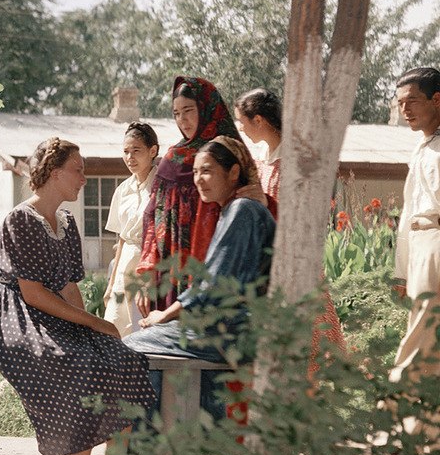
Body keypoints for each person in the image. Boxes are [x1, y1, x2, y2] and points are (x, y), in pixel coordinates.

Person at [0, 137, 157, 455]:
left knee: (123, 359)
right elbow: (33, 293)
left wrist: (92, 331)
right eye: (78, 170)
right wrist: (93, 322)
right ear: (56, 172)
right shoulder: (20, 219)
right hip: (15, 311)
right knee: (80, 365)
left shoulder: (66, 221)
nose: (84, 178)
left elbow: (67, 288)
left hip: (52, 309)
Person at [125, 137, 276, 422]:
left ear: (233, 172)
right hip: (236, 328)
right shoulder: (237, 210)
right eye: (194, 172)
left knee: (129, 348)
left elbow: (212, 285)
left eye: (206, 170)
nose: (198, 180)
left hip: (230, 331)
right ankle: (193, 454)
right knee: (149, 350)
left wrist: (164, 315)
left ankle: (152, 451)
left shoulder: (242, 210)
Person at [234, 87, 347, 371]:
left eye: (242, 121)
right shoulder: (260, 159)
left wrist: (265, 201)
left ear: (258, 120)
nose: (241, 128)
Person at [137, 77, 243, 313]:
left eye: (188, 110)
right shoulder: (172, 158)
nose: (182, 120)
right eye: (176, 113)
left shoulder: (231, 155)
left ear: (206, 109)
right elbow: (151, 217)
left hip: (215, 271)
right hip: (169, 273)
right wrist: (147, 273)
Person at [389, 66, 440, 440]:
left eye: (414, 101)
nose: (406, 109)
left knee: (417, 344)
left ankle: (390, 428)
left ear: (437, 100)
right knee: (426, 343)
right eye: (400, 103)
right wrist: (402, 271)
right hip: (423, 247)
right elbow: (408, 213)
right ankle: (418, 434)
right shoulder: (423, 146)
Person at [102, 122, 159, 337]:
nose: (130, 157)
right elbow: (122, 239)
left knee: (140, 327)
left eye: (136, 151)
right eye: (126, 152)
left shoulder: (162, 186)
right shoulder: (123, 190)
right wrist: (111, 282)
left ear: (152, 151)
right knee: (114, 325)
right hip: (125, 263)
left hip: (149, 263)